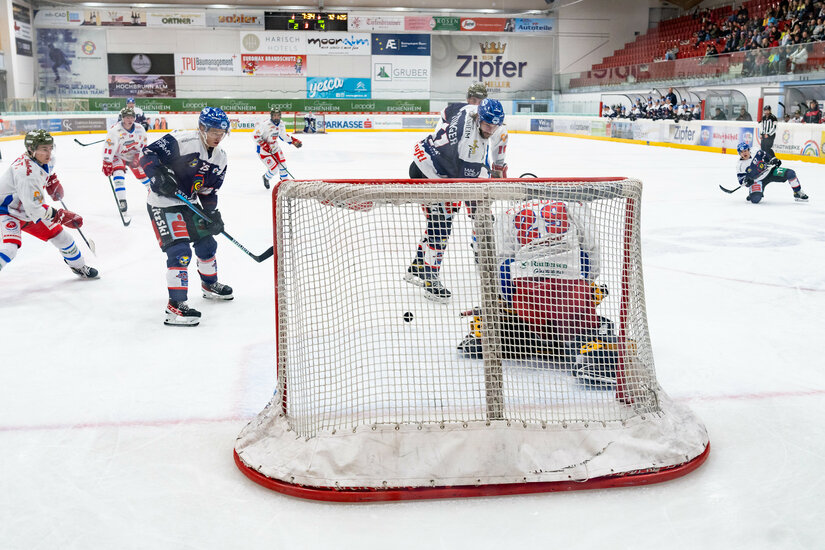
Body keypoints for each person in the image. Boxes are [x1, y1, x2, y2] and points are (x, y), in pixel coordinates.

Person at [456, 198, 617, 386]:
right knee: (588, 327)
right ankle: (590, 356)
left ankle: (491, 332)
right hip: (569, 289)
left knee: (516, 316)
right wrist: (587, 284)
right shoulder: (572, 204)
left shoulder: (508, 213)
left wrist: (507, 298)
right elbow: (591, 247)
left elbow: (500, 261)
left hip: (527, 293)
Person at [139, 107, 234, 326]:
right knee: (180, 251)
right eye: (213, 131)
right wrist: (160, 177)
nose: (218, 137)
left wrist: (212, 213)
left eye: (222, 132)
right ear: (201, 128)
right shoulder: (183, 141)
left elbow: (208, 191)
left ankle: (209, 285)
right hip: (162, 203)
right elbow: (147, 155)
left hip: (188, 203)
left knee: (207, 243)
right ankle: (175, 306)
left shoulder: (220, 158)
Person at [405, 98, 505, 302]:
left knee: (437, 222)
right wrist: (490, 180)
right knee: (441, 225)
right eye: (488, 125)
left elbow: (446, 111)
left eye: (496, 125)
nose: (492, 130)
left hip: (423, 158)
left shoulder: (468, 108)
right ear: (479, 118)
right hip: (430, 175)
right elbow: (464, 184)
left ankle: (417, 267)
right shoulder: (470, 148)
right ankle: (429, 280)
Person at [0, 130, 99, 278]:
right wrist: (59, 215)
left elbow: (46, 174)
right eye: (44, 149)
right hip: (7, 211)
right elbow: (34, 209)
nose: (49, 153)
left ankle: (79, 267)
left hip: (27, 210)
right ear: (31, 149)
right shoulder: (26, 173)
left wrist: (52, 181)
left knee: (64, 238)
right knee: (9, 249)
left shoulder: (47, 160)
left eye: (50, 148)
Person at [102, 107, 150, 213]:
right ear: (122, 118)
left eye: (132, 117)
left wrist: (138, 157)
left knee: (144, 176)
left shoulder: (140, 128)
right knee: (118, 175)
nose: (130, 120)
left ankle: (153, 194)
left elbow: (143, 145)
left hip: (133, 155)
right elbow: (108, 147)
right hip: (118, 155)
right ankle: (122, 201)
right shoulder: (115, 130)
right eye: (127, 117)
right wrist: (107, 162)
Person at [735, 142, 808, 203]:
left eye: (745, 150)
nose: (744, 153)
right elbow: (741, 181)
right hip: (758, 181)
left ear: (749, 150)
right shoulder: (740, 165)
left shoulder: (755, 150)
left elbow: (764, 154)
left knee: (790, 173)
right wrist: (747, 182)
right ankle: (752, 193)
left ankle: (797, 192)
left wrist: (773, 159)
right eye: (742, 152)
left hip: (769, 172)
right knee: (755, 199)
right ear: (739, 153)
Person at [252, 107, 302, 190]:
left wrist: (293, 141)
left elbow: (283, 136)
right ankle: (266, 178)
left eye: (278, 115)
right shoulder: (264, 125)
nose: (276, 117)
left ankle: (285, 185)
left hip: (275, 147)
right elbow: (255, 135)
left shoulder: (281, 124)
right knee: (274, 170)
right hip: (263, 150)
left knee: (283, 167)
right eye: (274, 115)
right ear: (271, 116)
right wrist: (264, 145)